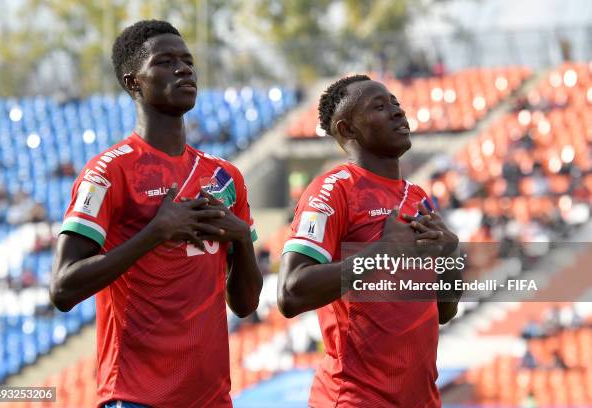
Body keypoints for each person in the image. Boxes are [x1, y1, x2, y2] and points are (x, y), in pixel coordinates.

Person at [49, 20, 262, 408]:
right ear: (134, 83)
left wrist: (242, 238)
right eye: (165, 62)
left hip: (212, 398)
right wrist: (155, 232)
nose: (184, 69)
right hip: (136, 396)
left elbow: (245, 305)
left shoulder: (224, 177)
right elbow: (63, 288)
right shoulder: (108, 172)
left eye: (188, 61)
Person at [277, 75, 462, 407]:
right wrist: (380, 254)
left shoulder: (417, 197)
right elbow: (291, 292)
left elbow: (443, 311)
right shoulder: (333, 190)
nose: (396, 112)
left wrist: (450, 258)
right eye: (379, 106)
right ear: (348, 130)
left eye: (395, 103)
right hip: (355, 399)